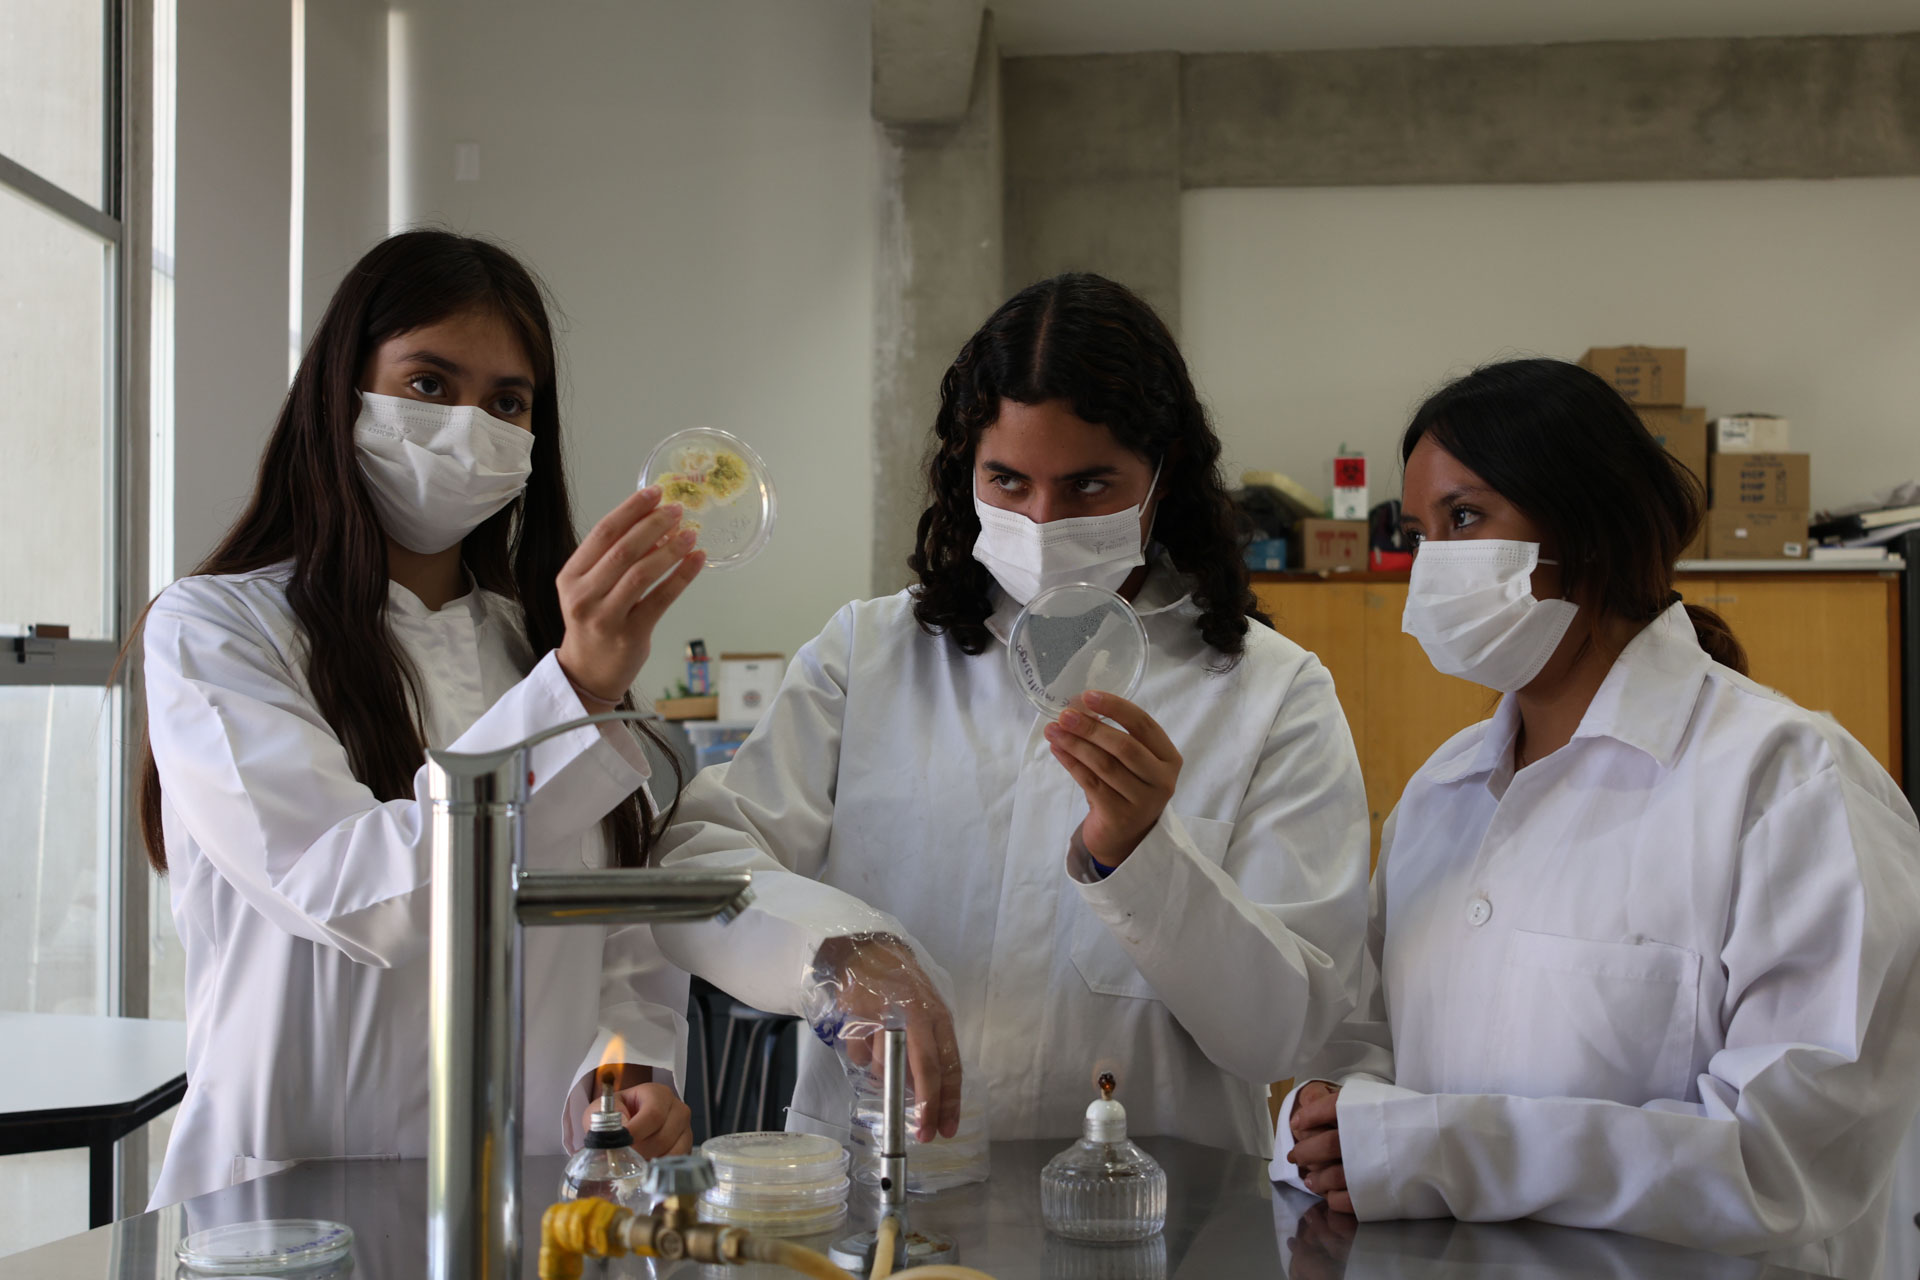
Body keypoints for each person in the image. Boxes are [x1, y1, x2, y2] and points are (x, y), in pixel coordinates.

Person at [653, 272, 1370, 1159]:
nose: (1043, 520)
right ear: (967, 470)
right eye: (1009, 481)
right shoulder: (867, 656)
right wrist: (837, 953)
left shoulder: (1271, 692)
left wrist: (1143, 859)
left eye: (1090, 486)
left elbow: (1283, 1035)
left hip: (1154, 1219)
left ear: (1164, 474)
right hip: (881, 1198)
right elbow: (693, 871)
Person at [1275, 358, 1920, 1280]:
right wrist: (1326, 1121)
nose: (1435, 567)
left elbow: (1788, 1163)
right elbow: (1365, 1049)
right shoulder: (1441, 796)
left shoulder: (1789, 783)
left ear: (1585, 524)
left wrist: (1442, 1149)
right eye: (1419, 533)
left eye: (1465, 518)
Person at [142, 231, 707, 1206]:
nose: (467, 428)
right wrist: (570, 695)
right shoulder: (216, 628)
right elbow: (352, 891)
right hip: (284, 1204)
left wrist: (622, 1075)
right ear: (342, 389)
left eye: (506, 402)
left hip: (528, 1197)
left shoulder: (539, 644)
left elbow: (618, 934)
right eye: (429, 383)